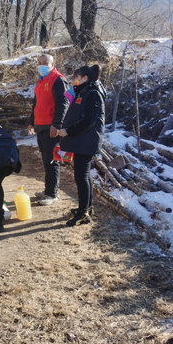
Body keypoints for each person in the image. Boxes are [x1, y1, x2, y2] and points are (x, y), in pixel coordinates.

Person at [57, 64, 107, 226]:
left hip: (86, 139)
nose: (75, 81)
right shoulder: (86, 92)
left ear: (85, 78)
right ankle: (87, 207)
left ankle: (83, 213)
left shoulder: (92, 94)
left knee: (81, 175)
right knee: (84, 175)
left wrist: (68, 131)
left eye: (77, 78)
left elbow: (88, 121)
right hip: (83, 139)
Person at [27, 54, 71, 206]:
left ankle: (52, 194)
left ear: (52, 64)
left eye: (45, 63)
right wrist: (31, 122)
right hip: (41, 126)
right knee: (46, 160)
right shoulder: (41, 81)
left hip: (51, 126)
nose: (41, 65)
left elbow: (63, 103)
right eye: (39, 63)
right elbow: (36, 103)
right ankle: (48, 190)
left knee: (52, 161)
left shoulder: (58, 79)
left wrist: (57, 125)